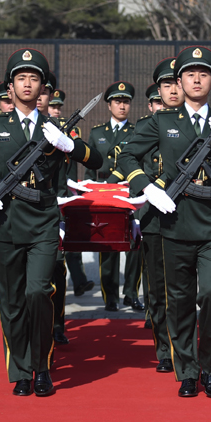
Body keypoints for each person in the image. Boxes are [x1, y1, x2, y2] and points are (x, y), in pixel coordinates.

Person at [0, 48, 103, 397]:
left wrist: (69, 145)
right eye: (21, 78)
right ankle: (19, 370)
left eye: (34, 79)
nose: (28, 84)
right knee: (13, 301)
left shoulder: (54, 128)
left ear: (43, 86)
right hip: (6, 221)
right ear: (11, 86)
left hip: (44, 221)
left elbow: (97, 158)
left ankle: (42, 365)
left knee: (38, 294)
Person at [118, 46, 211, 398]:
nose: (196, 79)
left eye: (203, 73)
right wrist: (147, 187)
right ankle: (187, 370)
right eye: (189, 74)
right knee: (180, 299)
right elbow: (126, 154)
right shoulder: (162, 121)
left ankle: (210, 369)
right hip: (174, 217)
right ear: (179, 81)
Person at [137, 56, 182, 372]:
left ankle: (183, 346)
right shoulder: (145, 127)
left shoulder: (201, 123)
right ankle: (164, 350)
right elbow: (129, 162)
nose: (174, 90)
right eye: (167, 85)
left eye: (177, 83)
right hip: (153, 216)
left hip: (189, 216)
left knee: (184, 288)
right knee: (157, 290)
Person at [84, 81, 144, 313]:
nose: (122, 106)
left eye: (126, 101)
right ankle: (110, 296)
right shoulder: (97, 132)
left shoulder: (137, 131)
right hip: (105, 192)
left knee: (134, 244)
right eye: (118, 101)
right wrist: (89, 192)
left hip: (129, 191)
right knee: (107, 243)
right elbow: (90, 167)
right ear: (109, 105)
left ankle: (131, 293)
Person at [47, 85, 95, 300]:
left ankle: (79, 282)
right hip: (51, 192)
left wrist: (74, 185)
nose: (56, 110)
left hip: (67, 191)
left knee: (72, 239)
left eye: (59, 107)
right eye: (53, 106)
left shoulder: (71, 130)